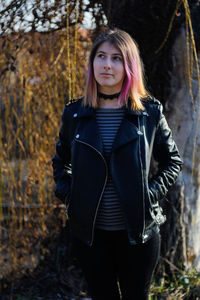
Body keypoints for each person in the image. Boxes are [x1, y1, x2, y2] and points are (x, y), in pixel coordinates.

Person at [52, 28, 183, 300]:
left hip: (139, 235)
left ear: (129, 66)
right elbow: (60, 162)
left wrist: (149, 195)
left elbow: (172, 161)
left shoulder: (149, 113)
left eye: (116, 58)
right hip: (91, 236)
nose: (107, 65)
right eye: (100, 56)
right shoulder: (74, 114)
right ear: (92, 63)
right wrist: (69, 195)